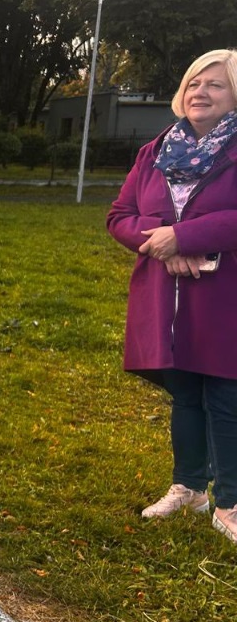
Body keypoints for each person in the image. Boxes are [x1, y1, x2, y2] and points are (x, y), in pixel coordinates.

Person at [107, 48, 237, 542]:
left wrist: (185, 237)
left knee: (226, 394)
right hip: (167, 294)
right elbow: (120, 216)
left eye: (215, 84)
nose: (201, 92)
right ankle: (189, 487)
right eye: (194, 83)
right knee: (185, 394)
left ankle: (230, 502)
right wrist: (163, 242)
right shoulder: (156, 151)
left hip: (225, 296)